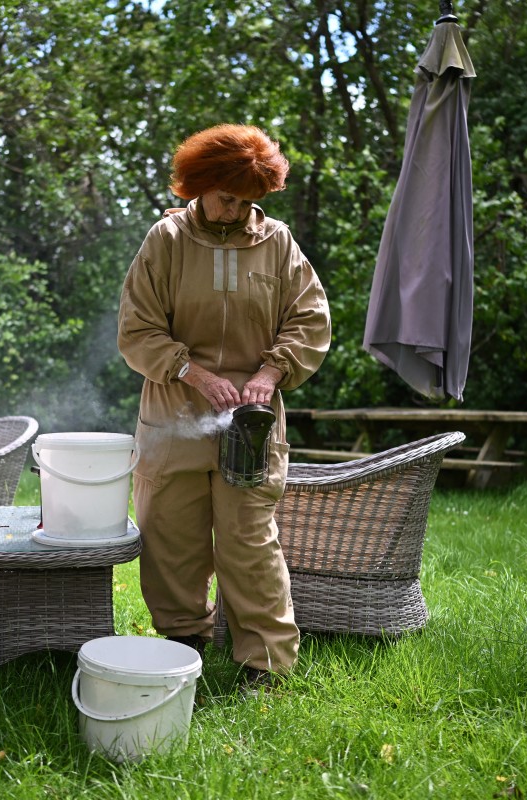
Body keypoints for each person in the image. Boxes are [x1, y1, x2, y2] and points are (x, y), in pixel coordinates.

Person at [117, 124, 331, 691]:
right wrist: (191, 371)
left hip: (252, 424)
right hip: (173, 412)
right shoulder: (165, 240)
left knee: (249, 541)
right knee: (170, 538)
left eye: (247, 201)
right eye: (226, 198)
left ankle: (265, 663)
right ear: (198, 186)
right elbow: (136, 329)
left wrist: (270, 373)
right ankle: (182, 643)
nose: (236, 211)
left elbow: (310, 321)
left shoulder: (278, 242)